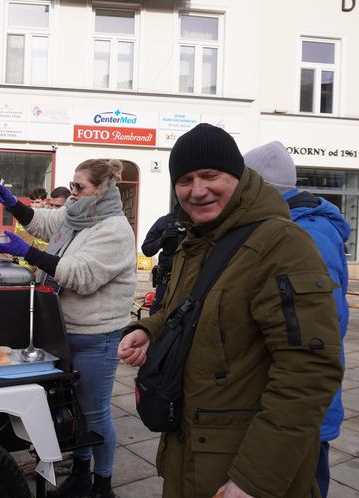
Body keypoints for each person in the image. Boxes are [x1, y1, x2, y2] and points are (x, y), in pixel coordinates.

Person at [118, 123, 343, 498]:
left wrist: (255, 479)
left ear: (237, 177)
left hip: (243, 463)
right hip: (192, 448)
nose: (198, 189)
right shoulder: (199, 239)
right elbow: (187, 310)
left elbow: (308, 371)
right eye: (185, 179)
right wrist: (151, 330)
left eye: (210, 175)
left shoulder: (282, 245)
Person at [0, 159, 136, 498]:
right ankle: (81, 475)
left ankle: (103, 485)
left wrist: (29, 254)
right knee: (75, 412)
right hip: (64, 329)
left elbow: (80, 276)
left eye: (79, 187)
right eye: (72, 185)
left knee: (96, 413)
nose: (73, 193)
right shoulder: (77, 213)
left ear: (100, 191)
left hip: (97, 336)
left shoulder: (114, 230)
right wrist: (14, 204)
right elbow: (45, 221)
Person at [244, 140, 350, 498]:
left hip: (300, 412)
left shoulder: (304, 235)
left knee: (301, 484)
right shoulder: (282, 225)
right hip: (283, 401)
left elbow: (317, 337)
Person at [140, 205, 185, 314]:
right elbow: (147, 250)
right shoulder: (164, 222)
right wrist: (162, 239)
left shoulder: (198, 221)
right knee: (157, 313)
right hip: (166, 280)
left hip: (188, 278)